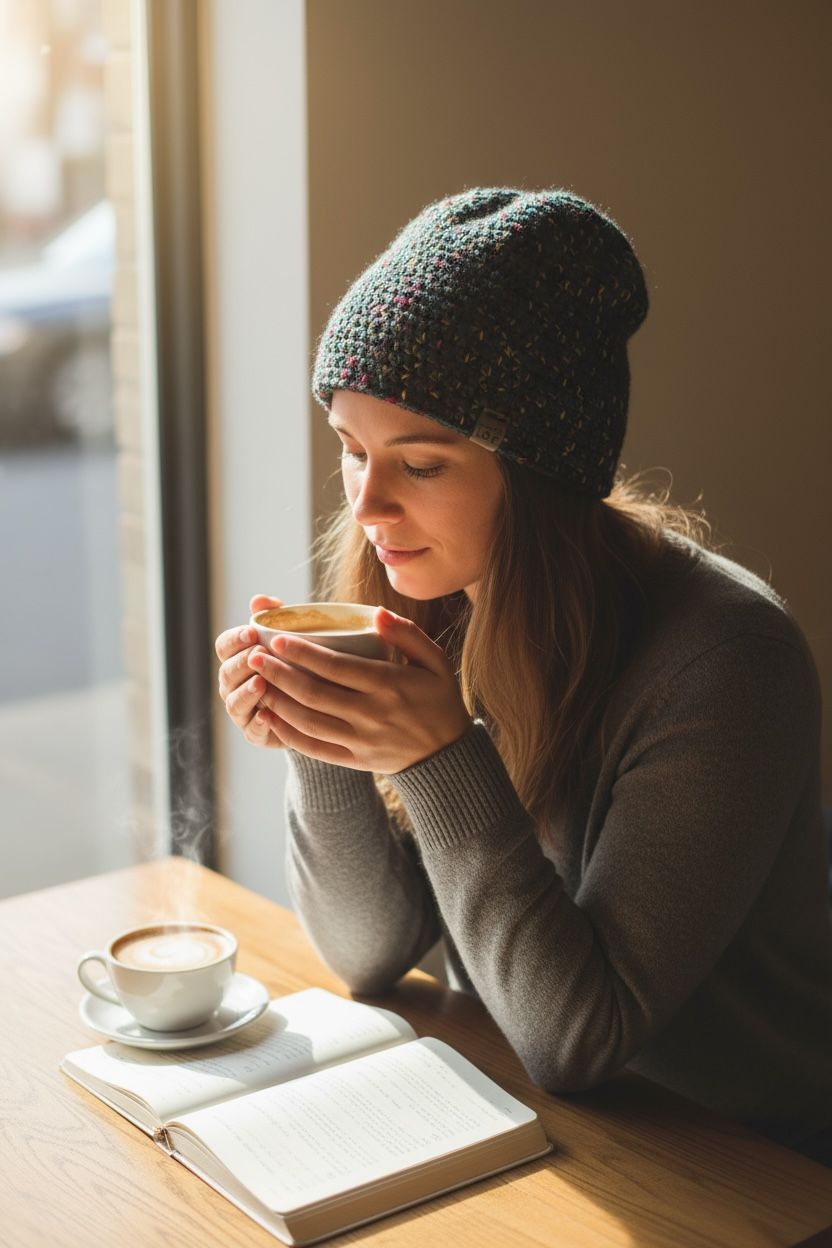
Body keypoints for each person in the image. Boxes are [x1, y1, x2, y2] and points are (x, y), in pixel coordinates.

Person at [215, 187, 832, 1163]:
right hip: (536, 1124)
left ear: (541, 471)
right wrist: (322, 726)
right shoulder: (433, 591)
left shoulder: (726, 665)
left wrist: (438, 753)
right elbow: (368, 954)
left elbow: (580, 1037)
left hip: (745, 1160)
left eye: (419, 464)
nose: (369, 503)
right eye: (350, 447)